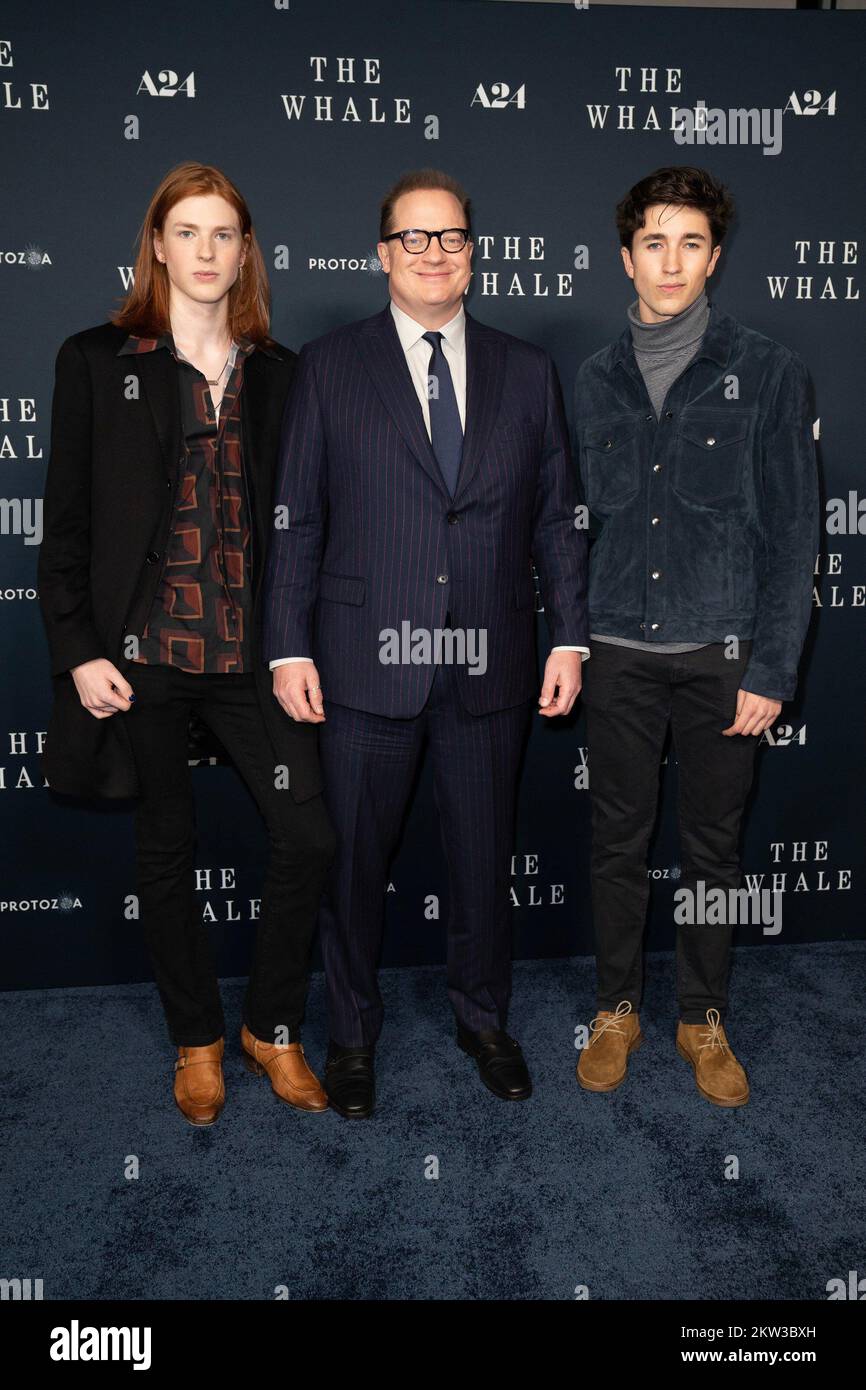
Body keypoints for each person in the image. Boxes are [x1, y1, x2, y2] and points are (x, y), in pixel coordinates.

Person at [264, 168, 589, 1118]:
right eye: (415, 238)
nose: (435, 254)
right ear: (383, 255)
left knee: (485, 859)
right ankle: (353, 1035)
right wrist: (288, 645)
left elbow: (559, 523)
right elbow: (299, 520)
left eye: (451, 238)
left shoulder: (528, 371)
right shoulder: (328, 365)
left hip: (490, 659)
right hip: (364, 661)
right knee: (354, 863)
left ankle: (484, 1019)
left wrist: (568, 639)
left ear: (473, 255)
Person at [37, 161, 336, 1126]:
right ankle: (198, 1040)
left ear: (246, 252)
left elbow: (308, 525)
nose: (205, 252)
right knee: (166, 849)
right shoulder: (96, 360)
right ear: (157, 245)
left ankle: (271, 1027)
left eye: (224, 235)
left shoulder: (284, 375)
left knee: (310, 835)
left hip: (255, 655)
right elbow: (68, 524)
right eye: (187, 232)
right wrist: (80, 649)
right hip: (145, 658)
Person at [573, 166, 819, 1107]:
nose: (669, 261)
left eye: (689, 243)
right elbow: (574, 526)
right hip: (619, 653)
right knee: (616, 844)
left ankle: (701, 1015)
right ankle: (616, 1007)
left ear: (714, 256)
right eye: (652, 242)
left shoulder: (768, 370)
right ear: (624, 255)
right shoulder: (594, 380)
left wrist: (772, 665)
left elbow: (797, 533)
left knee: (715, 851)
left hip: (724, 657)